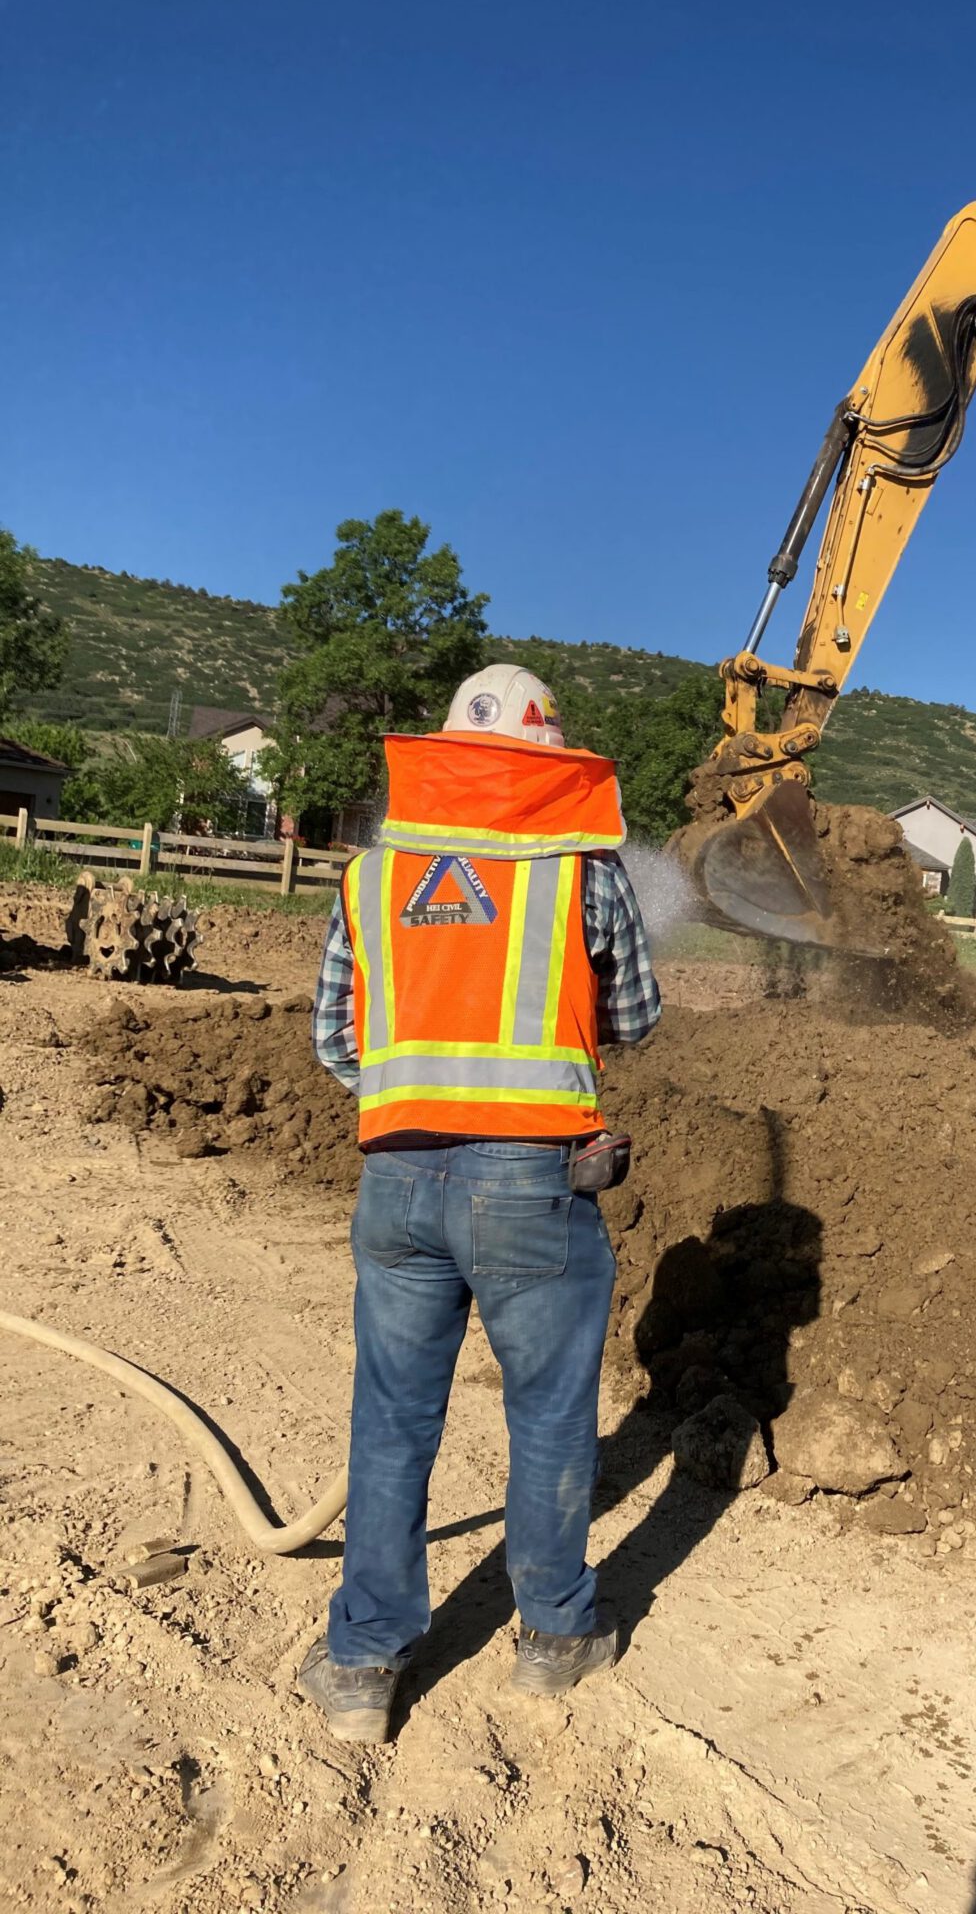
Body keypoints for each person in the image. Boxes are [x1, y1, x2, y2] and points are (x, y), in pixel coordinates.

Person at [298, 665, 661, 1743]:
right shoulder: (583, 869)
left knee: (394, 1418)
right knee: (548, 1415)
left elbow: (335, 1043)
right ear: (550, 764)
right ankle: (554, 1639)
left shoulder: (372, 874)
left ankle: (364, 1663)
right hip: (534, 1181)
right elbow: (635, 1017)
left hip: (398, 1178)